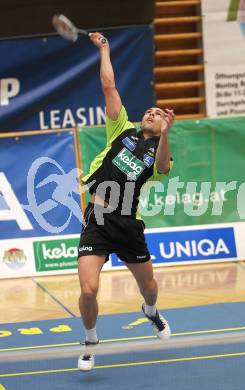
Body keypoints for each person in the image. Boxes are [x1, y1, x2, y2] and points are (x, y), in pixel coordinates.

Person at [77, 32, 175, 372]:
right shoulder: (121, 130)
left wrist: (165, 136)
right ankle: (90, 339)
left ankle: (150, 312)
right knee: (88, 290)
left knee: (148, 286)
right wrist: (105, 50)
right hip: (98, 218)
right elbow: (109, 87)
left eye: (158, 114)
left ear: (164, 125)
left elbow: (163, 166)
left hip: (128, 224)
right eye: (149, 111)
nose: (151, 113)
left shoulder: (160, 152)